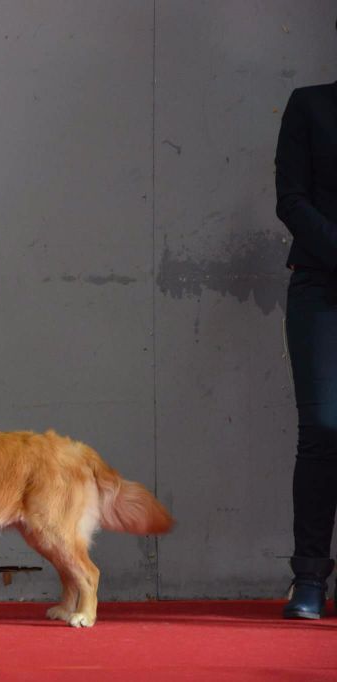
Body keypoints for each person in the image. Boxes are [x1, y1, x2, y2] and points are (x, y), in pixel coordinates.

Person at [275, 41, 337, 620]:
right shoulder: (310, 105)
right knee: (321, 427)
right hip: (320, 285)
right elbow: (290, 200)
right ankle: (310, 577)